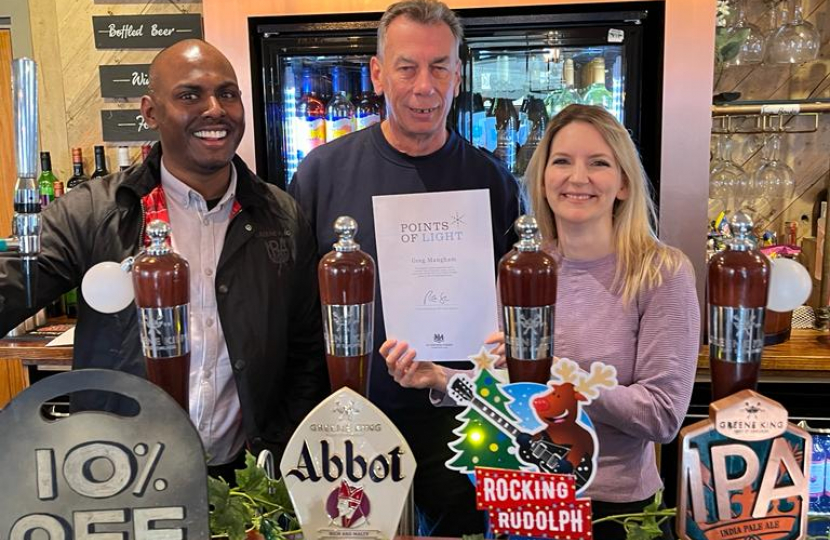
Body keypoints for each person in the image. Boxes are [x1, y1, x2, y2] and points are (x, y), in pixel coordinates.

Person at [0, 39, 328, 480]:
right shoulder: (94, 212)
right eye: (189, 95)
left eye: (227, 94)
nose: (215, 109)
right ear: (151, 112)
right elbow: (12, 286)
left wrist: (283, 448)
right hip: (123, 479)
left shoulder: (281, 216)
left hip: (245, 477)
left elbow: (306, 349)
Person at [382, 104, 700, 540]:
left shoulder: (662, 271)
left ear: (624, 182)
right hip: (523, 505)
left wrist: (559, 375)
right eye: (562, 161)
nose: (578, 177)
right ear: (544, 177)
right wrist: (438, 377)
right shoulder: (522, 268)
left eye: (599, 163)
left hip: (611, 514)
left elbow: (663, 415)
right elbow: (508, 394)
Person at [288, 0, 521, 535]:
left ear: (458, 77)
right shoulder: (322, 173)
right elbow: (301, 316)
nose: (425, 85)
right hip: (354, 429)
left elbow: (513, 309)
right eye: (407, 66)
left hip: (464, 429)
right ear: (377, 73)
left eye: (440, 66)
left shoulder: (494, 182)